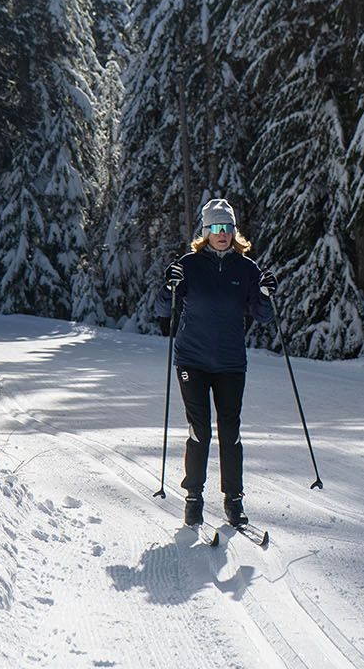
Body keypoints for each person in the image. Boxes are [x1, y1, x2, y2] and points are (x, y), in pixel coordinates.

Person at [155, 198, 275, 528]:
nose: (222, 234)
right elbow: (164, 309)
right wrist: (169, 286)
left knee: (230, 432)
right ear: (205, 232)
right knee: (199, 430)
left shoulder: (247, 269)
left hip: (231, 363)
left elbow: (263, 318)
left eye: (228, 228)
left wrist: (265, 294)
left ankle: (233, 501)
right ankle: (193, 499)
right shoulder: (189, 265)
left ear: (234, 232)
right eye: (216, 228)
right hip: (192, 359)